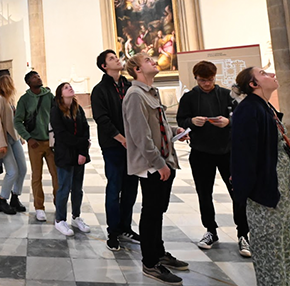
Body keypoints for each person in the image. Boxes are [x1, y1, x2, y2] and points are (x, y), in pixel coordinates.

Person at [123, 53, 188, 285]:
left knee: (158, 209)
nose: (153, 61)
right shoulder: (134, 95)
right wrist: (159, 164)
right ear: (137, 70)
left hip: (163, 160)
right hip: (152, 165)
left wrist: (174, 130)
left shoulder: (151, 92)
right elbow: (140, 136)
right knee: (151, 212)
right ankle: (150, 263)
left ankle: (159, 252)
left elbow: (155, 126)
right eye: (148, 60)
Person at [176, 61, 249, 257]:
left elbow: (242, 118)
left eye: (210, 80)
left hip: (228, 151)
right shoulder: (190, 97)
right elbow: (181, 120)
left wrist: (228, 121)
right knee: (204, 193)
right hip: (201, 152)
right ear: (196, 79)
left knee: (237, 192)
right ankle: (211, 231)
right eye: (202, 80)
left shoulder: (227, 95)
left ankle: (243, 233)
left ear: (215, 77)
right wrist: (191, 121)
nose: (206, 84)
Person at [230, 67, 290, 286]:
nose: (273, 74)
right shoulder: (247, 110)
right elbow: (243, 156)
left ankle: (283, 282)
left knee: (281, 242)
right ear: (253, 84)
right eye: (264, 73)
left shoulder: (265, 106)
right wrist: (249, 192)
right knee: (269, 249)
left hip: (279, 187)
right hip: (264, 192)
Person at [91, 49, 140, 251]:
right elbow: (102, 119)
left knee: (131, 188)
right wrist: (121, 139)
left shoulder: (129, 86)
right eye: (111, 59)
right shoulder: (99, 90)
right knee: (114, 188)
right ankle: (113, 232)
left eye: (116, 57)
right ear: (104, 66)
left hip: (133, 146)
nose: (117, 60)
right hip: (113, 146)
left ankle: (125, 227)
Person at [14, 70, 57, 222]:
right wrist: (28, 137)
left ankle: (59, 205)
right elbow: (17, 121)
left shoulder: (49, 96)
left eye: (38, 75)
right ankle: (39, 207)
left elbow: (57, 114)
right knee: (36, 176)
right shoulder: (24, 100)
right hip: (35, 144)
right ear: (29, 82)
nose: (37, 78)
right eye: (34, 77)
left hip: (51, 142)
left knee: (56, 174)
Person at [51, 82, 92, 237]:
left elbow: (85, 129)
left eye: (70, 86)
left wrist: (82, 152)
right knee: (64, 187)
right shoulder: (56, 111)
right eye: (66, 87)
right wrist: (82, 144)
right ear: (60, 93)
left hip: (79, 155)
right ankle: (60, 219)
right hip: (65, 154)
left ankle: (76, 217)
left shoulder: (77, 108)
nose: (70, 88)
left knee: (77, 188)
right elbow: (61, 135)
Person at [0, 75, 27, 214]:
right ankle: (2, 200)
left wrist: (20, 136)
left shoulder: (10, 99)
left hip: (14, 138)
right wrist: (1, 143)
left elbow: (14, 120)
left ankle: (15, 196)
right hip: (5, 139)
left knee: (23, 168)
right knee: (12, 171)